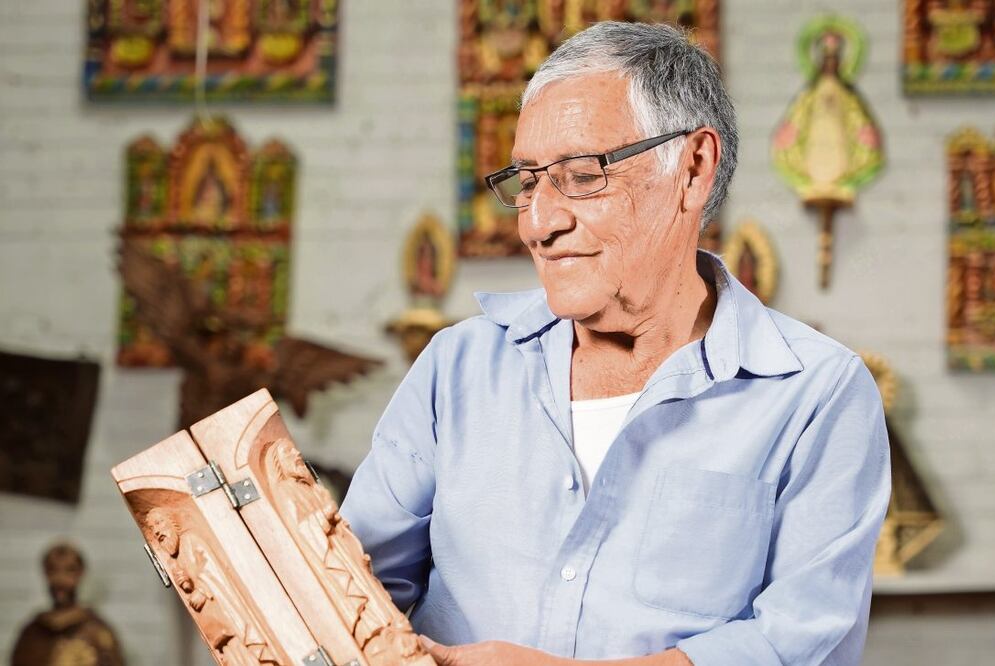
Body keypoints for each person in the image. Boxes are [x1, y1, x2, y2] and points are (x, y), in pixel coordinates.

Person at [342, 21, 890, 666]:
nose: (540, 223)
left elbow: (800, 642)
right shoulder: (457, 367)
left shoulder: (817, 394)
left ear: (692, 169)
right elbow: (350, 591)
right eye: (526, 181)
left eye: (582, 175)